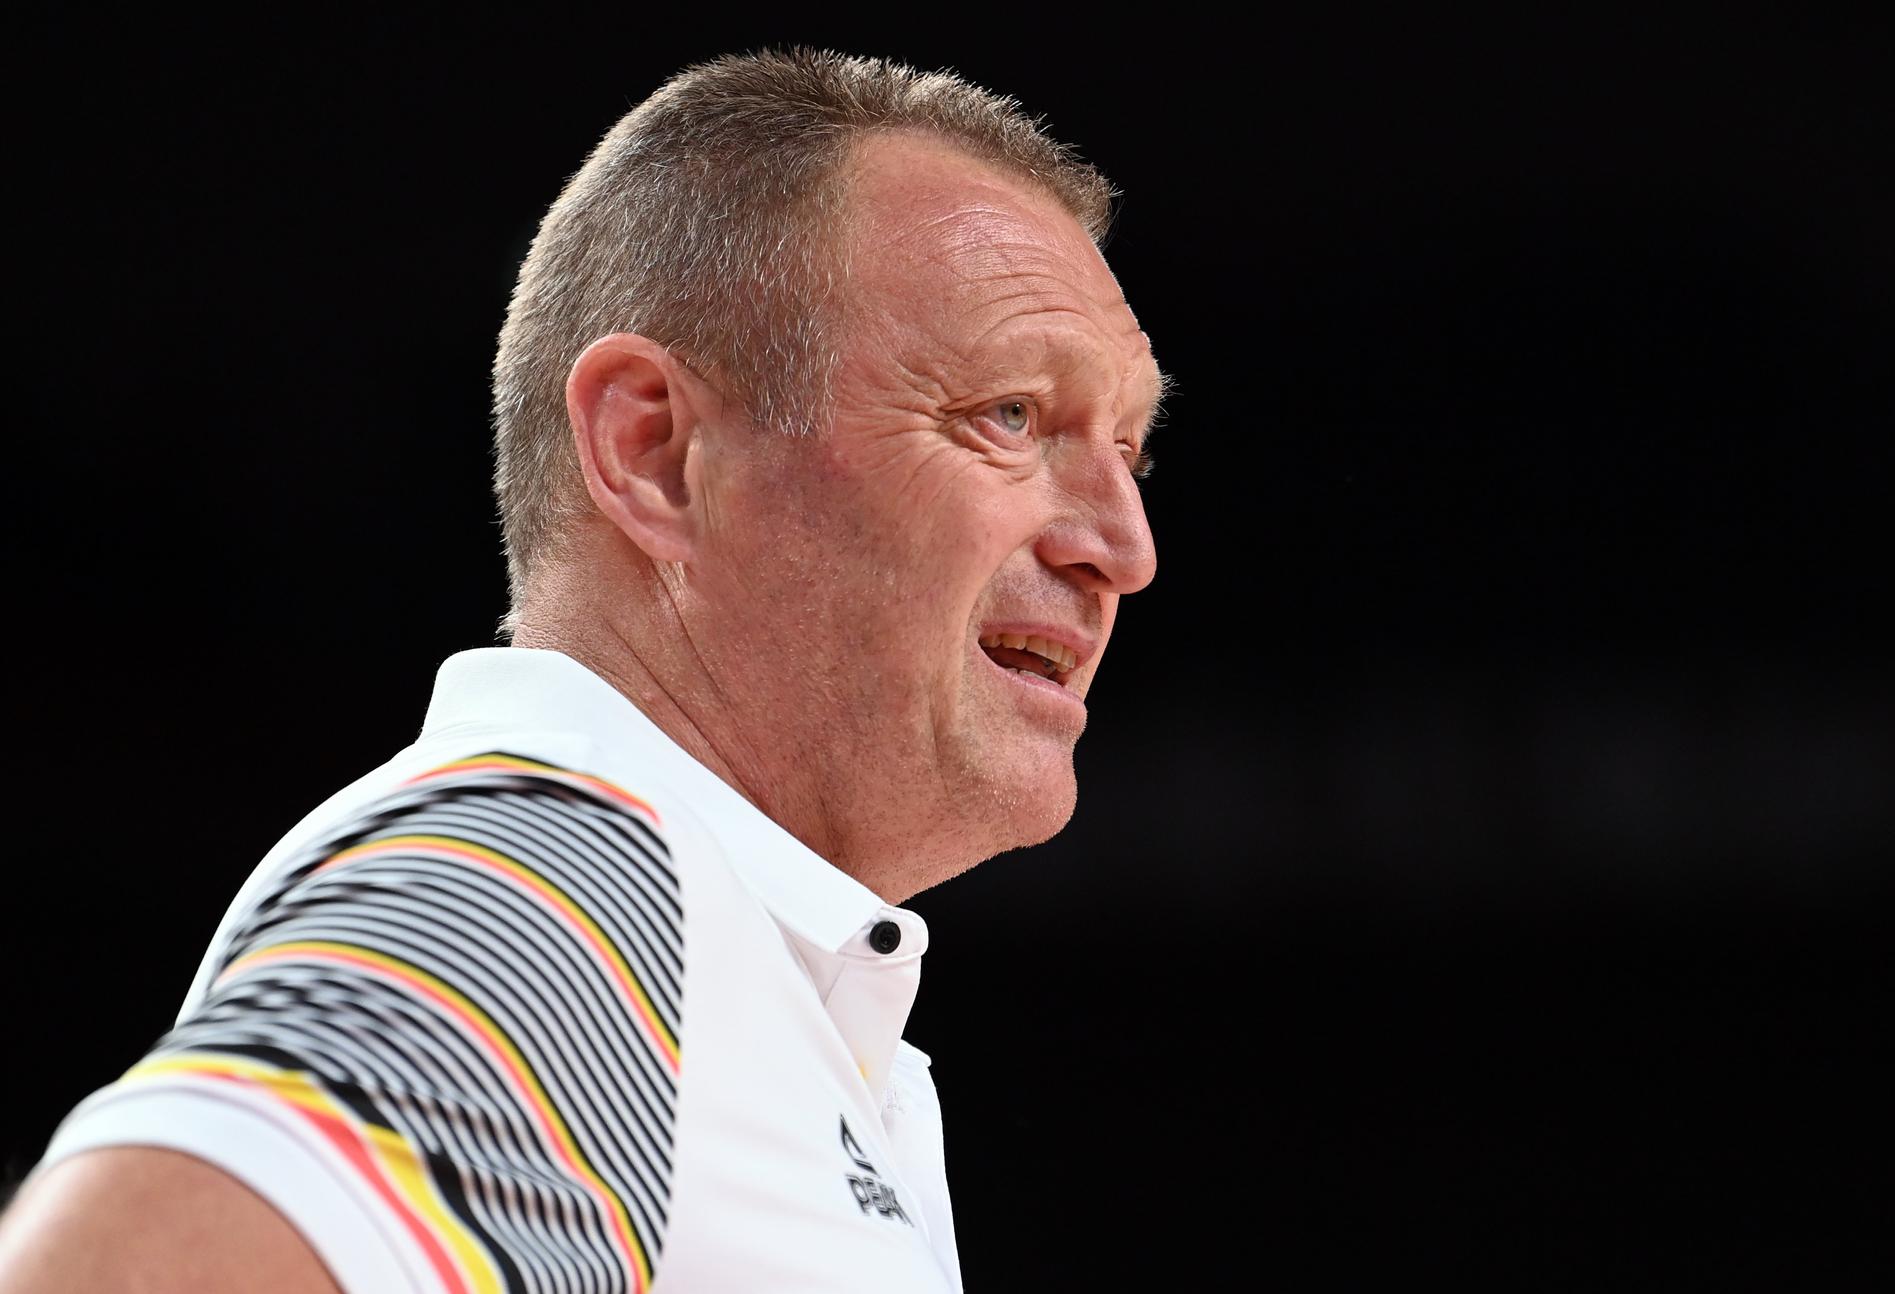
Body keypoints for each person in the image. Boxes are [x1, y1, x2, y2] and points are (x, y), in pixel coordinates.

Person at [0, 47, 1161, 1293]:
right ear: (656, 451)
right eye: (1009, 417)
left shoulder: (732, 967)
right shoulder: (555, 879)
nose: (1123, 548)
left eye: (1131, 451)